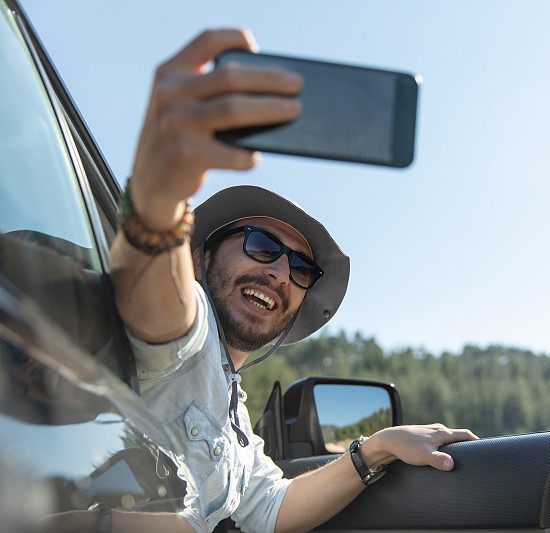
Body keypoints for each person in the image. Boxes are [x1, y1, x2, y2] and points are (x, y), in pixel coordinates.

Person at [109, 28, 478, 533]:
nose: (281, 272)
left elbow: (270, 508)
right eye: (262, 245)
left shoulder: (230, 405)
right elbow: (163, 310)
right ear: (199, 259)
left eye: (301, 269)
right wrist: (158, 194)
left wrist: (377, 447)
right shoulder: (186, 337)